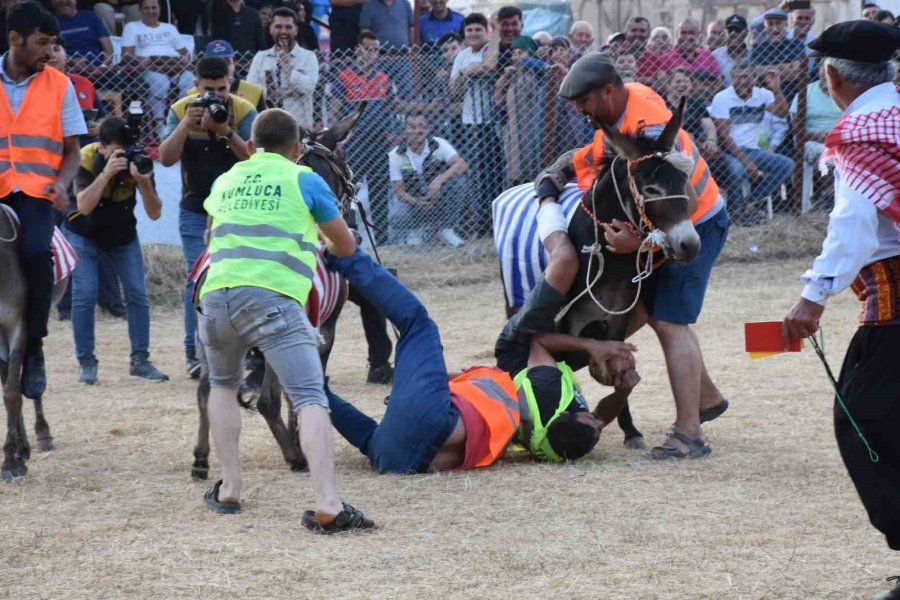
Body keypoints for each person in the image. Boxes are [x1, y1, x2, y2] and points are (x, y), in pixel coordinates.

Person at [537, 52, 731, 458]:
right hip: (663, 226)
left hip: (694, 224)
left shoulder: (650, 127)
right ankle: (708, 397)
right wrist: (555, 176)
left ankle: (689, 434)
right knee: (653, 310)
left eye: (583, 102)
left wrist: (641, 245)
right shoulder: (619, 113)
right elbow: (592, 158)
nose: (579, 111)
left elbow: (685, 200)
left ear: (607, 91)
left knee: (668, 320)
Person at [198, 108, 373, 532]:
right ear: (297, 150)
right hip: (272, 298)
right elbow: (346, 245)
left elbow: (209, 236)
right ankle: (328, 502)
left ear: (252, 146)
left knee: (222, 385)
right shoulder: (304, 178)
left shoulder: (226, 180)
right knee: (310, 396)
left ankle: (230, 488)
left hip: (215, 297)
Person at [323, 244, 638, 471]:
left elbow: (538, 344)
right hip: (399, 460)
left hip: (436, 417)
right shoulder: (546, 447)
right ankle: (304, 384)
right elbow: (597, 419)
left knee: (417, 324)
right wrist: (623, 390)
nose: (598, 422)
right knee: (369, 439)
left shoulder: (549, 392)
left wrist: (592, 346)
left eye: (592, 423)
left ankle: (343, 253)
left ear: (575, 417)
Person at [781, 21, 900, 600]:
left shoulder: (861, 134)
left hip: (895, 312)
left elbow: (852, 224)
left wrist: (813, 294)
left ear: (831, 77)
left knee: (866, 426)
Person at [1, 1, 87, 399]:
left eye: (54, 44)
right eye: (42, 43)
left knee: (38, 253)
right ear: (15, 40)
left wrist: (63, 183)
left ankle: (33, 345)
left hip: (36, 194)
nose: (50, 52)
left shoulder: (60, 84)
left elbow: (72, 150)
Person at [159, 56, 257, 377]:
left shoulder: (243, 110)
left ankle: (241, 352)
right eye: (209, 89)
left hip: (238, 209)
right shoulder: (180, 109)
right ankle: (195, 353)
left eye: (222, 88)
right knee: (197, 279)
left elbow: (254, 160)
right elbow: (166, 157)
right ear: (196, 85)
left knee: (242, 276)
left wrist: (225, 130)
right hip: (195, 209)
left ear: (231, 82)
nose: (217, 95)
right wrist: (188, 123)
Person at [65, 117, 168, 384]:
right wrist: (107, 173)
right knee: (85, 295)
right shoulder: (86, 157)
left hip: (123, 236)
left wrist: (143, 182)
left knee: (137, 293)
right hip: (84, 233)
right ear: (102, 147)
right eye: (116, 151)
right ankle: (86, 363)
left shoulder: (139, 160)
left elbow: (155, 213)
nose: (123, 156)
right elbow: (83, 205)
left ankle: (140, 361)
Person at [330, 32, 395, 244]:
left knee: (379, 190)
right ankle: (350, 234)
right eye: (368, 49)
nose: (372, 54)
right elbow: (334, 110)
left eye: (376, 50)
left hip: (379, 140)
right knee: (349, 188)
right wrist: (339, 135)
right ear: (358, 49)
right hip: (356, 142)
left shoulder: (383, 77)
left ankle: (383, 239)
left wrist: (427, 107)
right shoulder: (344, 76)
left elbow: (393, 104)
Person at [709, 60, 793, 224]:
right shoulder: (722, 98)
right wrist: (748, 163)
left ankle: (751, 203)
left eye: (746, 76)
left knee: (787, 165)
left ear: (754, 79)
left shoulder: (763, 94)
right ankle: (734, 211)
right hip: (729, 151)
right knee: (738, 170)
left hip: (753, 151)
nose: (742, 81)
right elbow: (725, 138)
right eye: (738, 77)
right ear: (731, 79)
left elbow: (782, 113)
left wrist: (776, 90)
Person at [449, 12, 501, 238]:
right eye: (469, 30)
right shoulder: (461, 56)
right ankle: (479, 223)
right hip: (471, 122)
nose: (473, 34)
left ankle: (493, 220)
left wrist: (467, 72)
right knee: (477, 173)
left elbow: (487, 68)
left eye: (477, 29)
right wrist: (465, 72)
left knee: (494, 172)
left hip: (493, 120)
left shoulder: (491, 49)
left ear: (486, 31)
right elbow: (454, 90)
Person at [389, 112, 467, 247]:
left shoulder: (439, 144)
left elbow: (462, 164)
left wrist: (440, 180)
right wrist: (416, 202)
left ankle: (447, 230)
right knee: (395, 217)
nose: (417, 130)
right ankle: (416, 229)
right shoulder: (395, 155)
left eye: (421, 126)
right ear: (405, 129)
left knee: (460, 181)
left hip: (440, 196)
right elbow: (399, 190)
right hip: (414, 200)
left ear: (427, 129)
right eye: (412, 127)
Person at [121, 0, 193, 129]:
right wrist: (142, 60)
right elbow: (126, 55)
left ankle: (184, 121)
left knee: (190, 80)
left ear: (159, 9)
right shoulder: (132, 27)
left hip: (174, 65)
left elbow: (184, 52)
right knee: (160, 83)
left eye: (153, 8)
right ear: (140, 10)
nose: (150, 11)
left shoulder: (169, 28)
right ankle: (160, 125)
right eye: (146, 8)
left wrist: (184, 60)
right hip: (150, 67)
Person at [246, 6, 318, 129]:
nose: (283, 31)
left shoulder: (308, 57)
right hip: (267, 125)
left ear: (296, 30)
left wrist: (288, 69)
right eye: (278, 26)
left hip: (299, 127)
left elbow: (309, 87)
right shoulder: (261, 57)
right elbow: (251, 90)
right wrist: (283, 92)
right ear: (270, 29)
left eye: (288, 27)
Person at [493, 35, 542, 186]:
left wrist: (529, 61)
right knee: (515, 172)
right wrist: (504, 77)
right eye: (514, 54)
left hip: (531, 130)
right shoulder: (513, 76)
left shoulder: (536, 75)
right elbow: (499, 101)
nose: (516, 57)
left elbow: (542, 67)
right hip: (514, 132)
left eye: (521, 53)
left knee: (533, 169)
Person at [750, 8, 805, 103]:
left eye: (778, 23)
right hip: (767, 100)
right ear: (764, 26)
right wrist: (788, 68)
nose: (774, 28)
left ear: (786, 25)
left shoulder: (795, 44)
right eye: (770, 24)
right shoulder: (759, 49)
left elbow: (797, 71)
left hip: (793, 97)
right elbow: (756, 72)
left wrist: (768, 71)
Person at [196, 39, 266, 113]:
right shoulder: (193, 93)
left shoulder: (254, 92)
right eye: (215, 63)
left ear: (235, 63)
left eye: (227, 62)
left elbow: (262, 123)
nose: (222, 67)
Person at [52, 0, 112, 67]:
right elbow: (52, 51)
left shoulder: (91, 17)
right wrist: (72, 61)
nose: (63, 1)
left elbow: (108, 48)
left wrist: (102, 67)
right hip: (68, 70)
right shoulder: (51, 22)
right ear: (52, 2)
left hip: (99, 69)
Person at [656, 18, 721, 78]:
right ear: (677, 34)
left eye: (691, 33)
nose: (687, 37)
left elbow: (719, 79)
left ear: (697, 34)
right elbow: (661, 83)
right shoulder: (665, 58)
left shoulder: (707, 55)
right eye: (683, 33)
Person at [713, 14, 750, 86]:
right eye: (730, 30)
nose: (733, 33)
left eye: (737, 30)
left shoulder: (754, 54)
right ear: (724, 33)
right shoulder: (715, 56)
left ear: (746, 33)